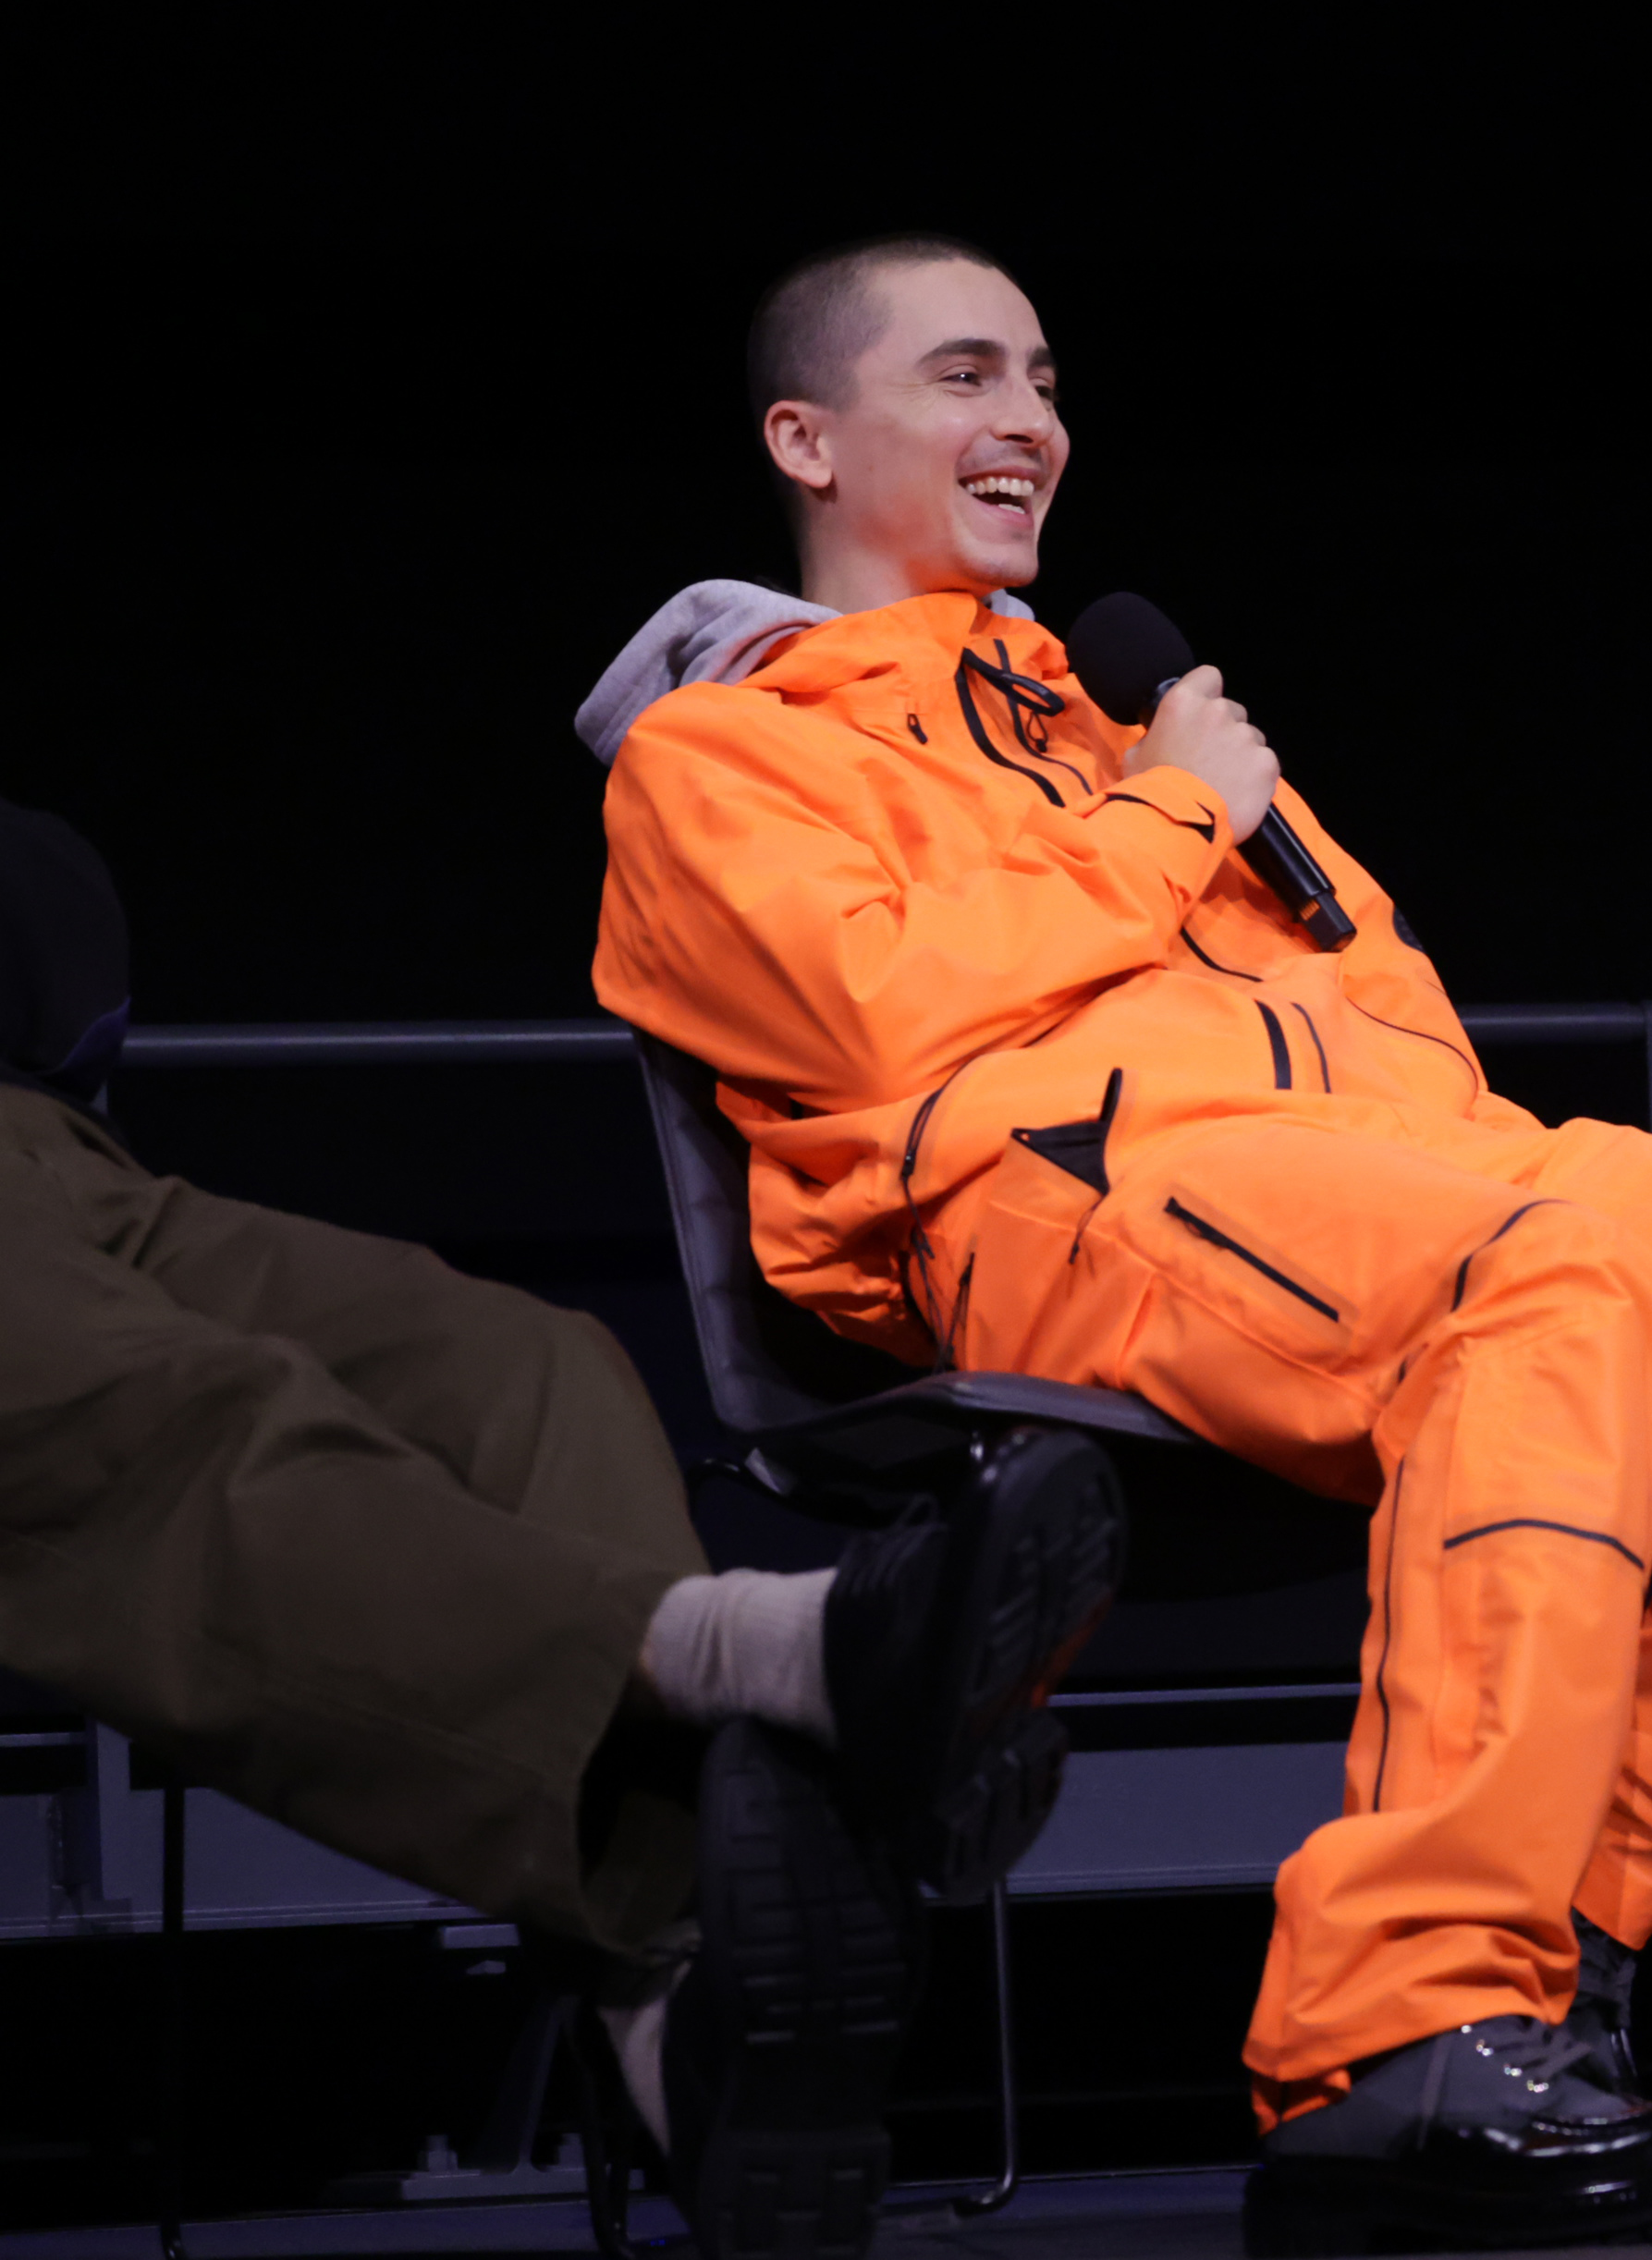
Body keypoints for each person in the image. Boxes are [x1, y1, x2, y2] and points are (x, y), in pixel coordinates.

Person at [581, 235, 1652, 2250]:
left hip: (1378, 1179)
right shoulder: (726, 755)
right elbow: (878, 1019)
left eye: (1045, 379)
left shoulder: (1123, 721)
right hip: (1057, 1201)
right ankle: (1404, 2034)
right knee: (1539, 1279)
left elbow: (1392, 993)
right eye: (964, 375)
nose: (1031, 420)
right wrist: (1170, 820)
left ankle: (1564, 1914)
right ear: (807, 440)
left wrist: (1214, 844)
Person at [0, 797, 1121, 2259]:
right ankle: (765, 1672)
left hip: (49, 1148)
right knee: (172, 1408)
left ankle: (676, 2015)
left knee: (517, 1371)